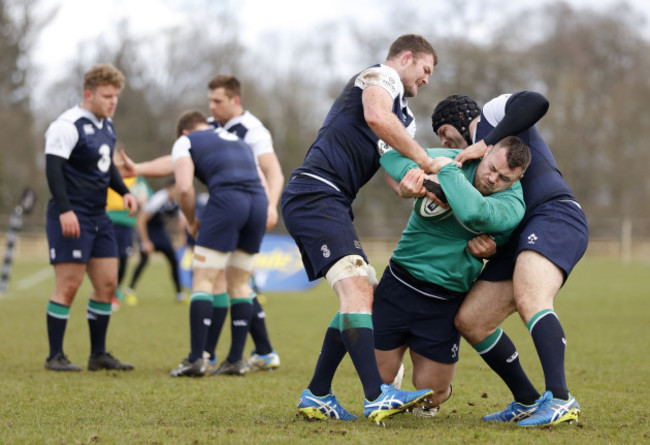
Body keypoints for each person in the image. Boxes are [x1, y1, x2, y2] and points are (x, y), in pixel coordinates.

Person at [281, 34, 439, 422]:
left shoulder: (406, 119)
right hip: (314, 193)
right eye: (425, 70)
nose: (427, 80)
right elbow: (374, 117)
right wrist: (425, 159)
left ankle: (318, 394)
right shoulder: (379, 76)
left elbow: (394, 174)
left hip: (333, 201)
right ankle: (376, 395)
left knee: (362, 288)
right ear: (405, 58)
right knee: (357, 286)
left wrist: (409, 186)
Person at [432, 92, 588, 426]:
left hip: (554, 214)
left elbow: (537, 102)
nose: (444, 141)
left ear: (462, 117)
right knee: (471, 320)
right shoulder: (474, 172)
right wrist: (493, 248)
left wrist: (482, 141)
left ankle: (560, 398)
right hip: (519, 237)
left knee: (531, 297)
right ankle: (527, 400)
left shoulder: (492, 116)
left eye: (445, 131)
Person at [374, 136, 530, 417]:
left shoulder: (513, 204)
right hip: (399, 282)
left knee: (430, 396)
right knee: (374, 382)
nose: (493, 179)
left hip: (444, 300)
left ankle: (433, 388)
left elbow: (475, 213)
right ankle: (392, 372)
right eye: (492, 168)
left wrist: (444, 173)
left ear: (519, 177)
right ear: (487, 151)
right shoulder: (458, 157)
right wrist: (411, 182)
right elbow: (389, 155)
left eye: (504, 177)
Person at [44, 64, 137, 372]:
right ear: (89, 93)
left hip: (99, 215)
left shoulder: (107, 127)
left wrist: (123, 190)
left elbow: (106, 166)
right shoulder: (67, 124)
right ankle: (55, 355)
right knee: (69, 285)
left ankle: (98, 354)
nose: (112, 102)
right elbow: (53, 169)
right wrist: (65, 210)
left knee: (108, 284)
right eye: (107, 96)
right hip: (71, 213)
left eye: (116, 97)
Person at [168, 111, 268, 378]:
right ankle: (236, 360)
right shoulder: (238, 140)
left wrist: (190, 221)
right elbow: (263, 182)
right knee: (240, 283)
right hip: (258, 203)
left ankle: (196, 359)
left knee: (203, 280)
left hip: (227, 201)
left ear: (184, 132)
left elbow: (185, 188)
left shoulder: (185, 141)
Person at [205, 75, 284, 371]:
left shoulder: (251, 130)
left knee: (227, 279)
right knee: (235, 279)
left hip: (247, 210)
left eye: (218, 101)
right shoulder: (212, 127)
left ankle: (211, 354)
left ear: (235, 100)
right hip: (226, 210)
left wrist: (271, 206)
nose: (211, 106)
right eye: (210, 100)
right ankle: (263, 351)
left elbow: (274, 172)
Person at [126, 179, 187, 305]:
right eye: (175, 188)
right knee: (143, 260)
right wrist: (145, 241)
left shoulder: (179, 200)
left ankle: (179, 293)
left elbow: (182, 219)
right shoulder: (158, 199)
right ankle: (130, 291)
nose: (177, 191)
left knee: (173, 260)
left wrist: (182, 237)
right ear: (168, 188)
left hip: (160, 230)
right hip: (147, 229)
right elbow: (141, 220)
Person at [105, 155, 151, 310]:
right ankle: (107, 291)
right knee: (107, 257)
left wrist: (143, 199)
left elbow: (146, 196)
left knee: (123, 257)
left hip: (127, 222)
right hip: (108, 219)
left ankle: (116, 290)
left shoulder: (136, 179)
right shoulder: (107, 173)